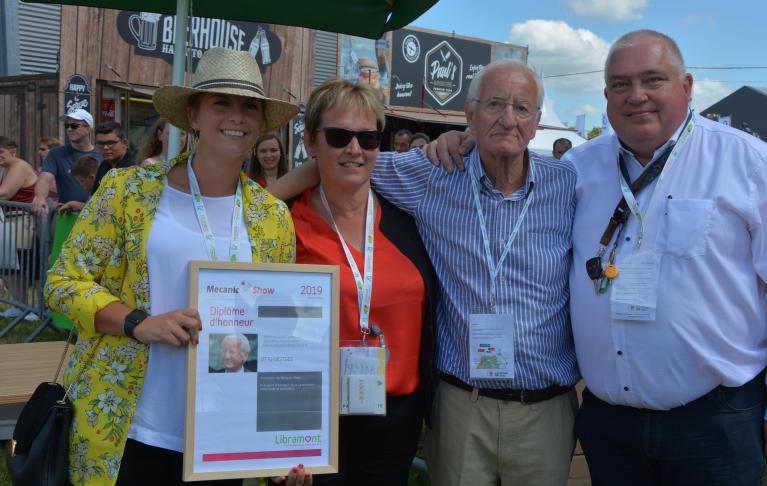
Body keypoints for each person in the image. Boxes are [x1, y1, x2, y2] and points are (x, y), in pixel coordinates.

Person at [272, 59, 580, 485]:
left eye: (522, 108)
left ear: (538, 122)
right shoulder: (432, 174)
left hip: (544, 408)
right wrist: (264, 204)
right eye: (494, 104)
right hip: (460, 406)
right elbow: (343, 163)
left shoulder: (570, 184)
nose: (508, 119)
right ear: (469, 116)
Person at [562, 30, 767, 483]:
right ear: (606, 95)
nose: (636, 96)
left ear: (685, 88)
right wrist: (458, 147)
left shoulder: (750, 163)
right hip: (610, 423)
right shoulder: (576, 170)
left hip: (715, 420)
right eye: (621, 85)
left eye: (652, 80)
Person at [44, 48, 306, 486]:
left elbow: (279, 331)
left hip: (222, 435)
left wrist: (281, 442)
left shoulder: (272, 216)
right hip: (130, 424)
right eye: (221, 102)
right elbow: (62, 282)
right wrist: (137, 323)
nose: (236, 116)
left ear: (262, 122)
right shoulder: (129, 190)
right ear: (193, 116)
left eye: (249, 106)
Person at [275, 79, 436, 486]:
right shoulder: (283, 223)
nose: (354, 149)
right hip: (310, 409)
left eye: (367, 138)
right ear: (311, 142)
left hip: (396, 413)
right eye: (338, 136)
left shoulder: (409, 219)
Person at [31, 108, 101, 215]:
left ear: (88, 129)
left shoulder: (102, 155)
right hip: (67, 215)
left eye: (74, 126)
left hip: (95, 215)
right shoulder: (56, 153)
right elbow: (44, 179)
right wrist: (40, 198)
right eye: (66, 126)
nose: (69, 129)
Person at [93, 122, 137, 193]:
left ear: (125, 143)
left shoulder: (135, 167)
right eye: (100, 143)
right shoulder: (104, 165)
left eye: (110, 143)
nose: (105, 147)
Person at [0, 136, 38, 204]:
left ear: (13, 152)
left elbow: (4, 194)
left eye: (1, 152)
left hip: (23, 213)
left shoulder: (20, 166)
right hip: (9, 213)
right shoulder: (4, 167)